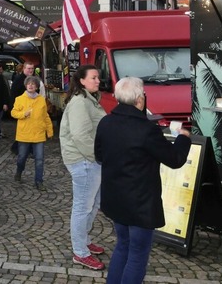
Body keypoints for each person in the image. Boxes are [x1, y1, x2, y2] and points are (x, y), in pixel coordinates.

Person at [95, 77, 191, 283]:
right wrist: (184, 138)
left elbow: (99, 156)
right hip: (140, 202)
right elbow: (174, 159)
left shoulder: (105, 122)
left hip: (115, 198)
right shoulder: (147, 129)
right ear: (140, 100)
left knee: (123, 246)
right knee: (138, 254)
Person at [59, 64, 108, 270]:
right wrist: (96, 155)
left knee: (94, 203)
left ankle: (84, 241)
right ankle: (80, 252)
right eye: (94, 77)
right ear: (82, 81)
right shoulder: (80, 102)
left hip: (89, 159)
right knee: (82, 206)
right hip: (84, 160)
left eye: (98, 78)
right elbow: (80, 135)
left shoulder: (90, 100)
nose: (98, 81)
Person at [11, 76, 53, 191]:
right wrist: (23, 114)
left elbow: (46, 116)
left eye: (33, 84)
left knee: (39, 159)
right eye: (29, 84)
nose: (30, 85)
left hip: (38, 134)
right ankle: (19, 172)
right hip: (24, 134)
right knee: (22, 157)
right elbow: (13, 113)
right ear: (26, 86)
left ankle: (39, 181)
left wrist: (49, 131)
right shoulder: (19, 99)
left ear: (36, 87)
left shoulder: (41, 100)